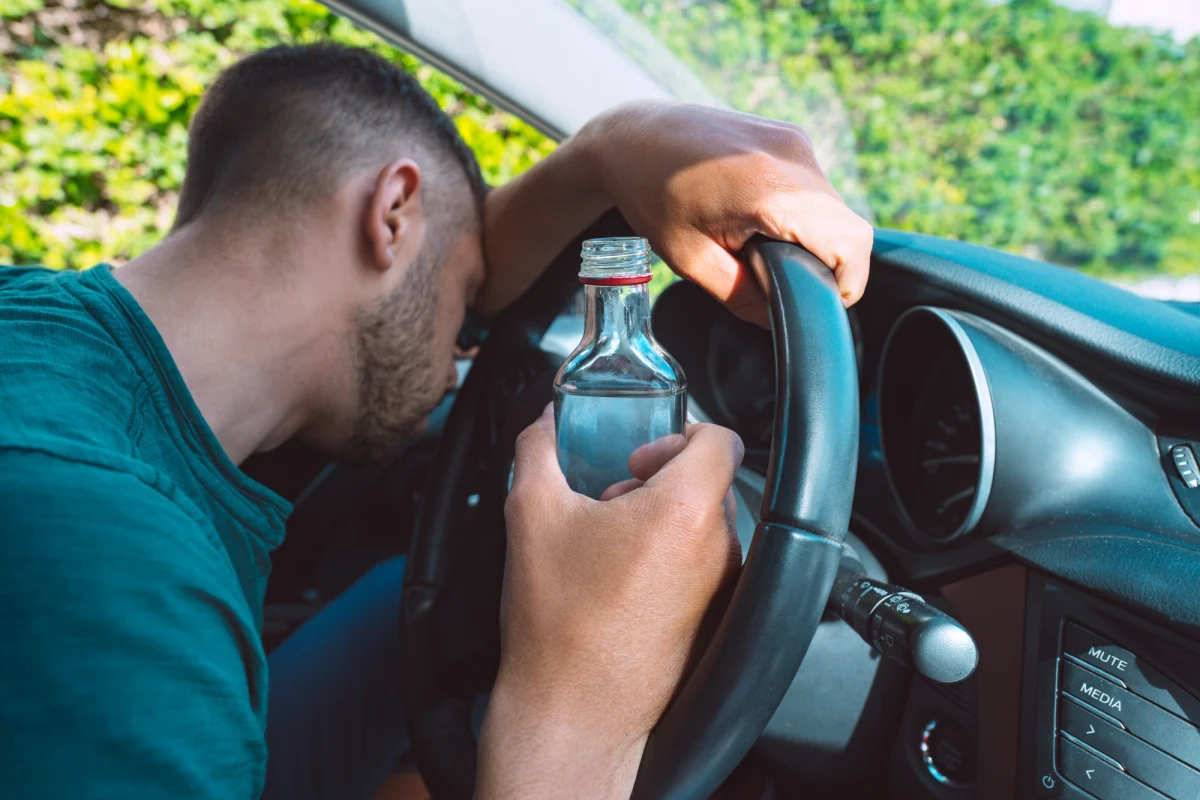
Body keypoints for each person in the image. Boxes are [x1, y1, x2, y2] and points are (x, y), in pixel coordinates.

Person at [0, 43, 872, 800]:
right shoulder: (114, 584)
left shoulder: (39, 331)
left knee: (410, 604)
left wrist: (611, 147)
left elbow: (448, 264)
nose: (466, 348)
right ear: (391, 215)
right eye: (466, 300)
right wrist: (573, 706)